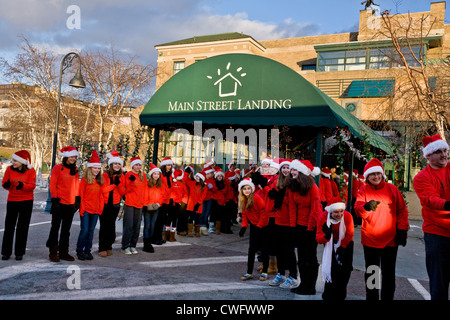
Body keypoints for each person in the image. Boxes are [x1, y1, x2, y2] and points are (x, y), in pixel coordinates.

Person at [355, 158, 409, 300]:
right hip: (371, 238)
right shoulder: (363, 190)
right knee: (372, 272)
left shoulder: (392, 189)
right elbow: (357, 209)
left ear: (382, 174)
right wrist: (366, 207)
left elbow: (402, 210)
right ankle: (371, 298)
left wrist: (402, 230)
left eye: (378, 173)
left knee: (388, 273)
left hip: (391, 240)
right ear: (367, 176)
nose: (376, 177)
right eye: (372, 174)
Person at [413, 134, 450, 300]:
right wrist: (447, 204)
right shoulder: (421, 177)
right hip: (437, 234)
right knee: (439, 283)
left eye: (445, 150)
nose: (443, 155)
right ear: (428, 155)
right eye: (438, 152)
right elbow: (430, 198)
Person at [288, 159, 321, 295]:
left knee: (310, 257)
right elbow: (292, 208)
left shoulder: (313, 187)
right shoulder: (293, 186)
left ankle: (310, 287)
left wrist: (310, 228)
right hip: (299, 226)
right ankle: (303, 284)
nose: (292, 172)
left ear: (302, 172)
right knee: (301, 257)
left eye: (295, 170)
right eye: (292, 170)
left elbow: (316, 209)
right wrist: (293, 227)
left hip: (311, 227)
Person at [267, 159, 300, 289]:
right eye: (284, 168)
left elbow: (293, 205)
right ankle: (281, 274)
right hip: (278, 220)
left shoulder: (294, 184)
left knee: (289, 251)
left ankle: (293, 276)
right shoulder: (278, 182)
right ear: (280, 170)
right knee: (279, 249)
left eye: (288, 167)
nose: (286, 170)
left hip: (289, 222)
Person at [46, 146, 80, 262]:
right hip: (59, 203)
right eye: (71, 156)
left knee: (66, 229)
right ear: (65, 157)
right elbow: (53, 184)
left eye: (75, 157)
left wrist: (77, 199)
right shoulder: (57, 168)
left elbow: (76, 185)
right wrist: (54, 200)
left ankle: (64, 252)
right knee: (55, 228)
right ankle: (53, 251)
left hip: (70, 204)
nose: (73, 158)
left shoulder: (75, 170)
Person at [316, 196, 354, 300]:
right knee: (332, 270)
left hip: (346, 243)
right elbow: (318, 238)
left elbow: (350, 233)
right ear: (330, 211)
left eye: (341, 211)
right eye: (336, 212)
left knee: (345, 271)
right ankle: (328, 295)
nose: (339, 215)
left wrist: (342, 247)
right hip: (330, 244)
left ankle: (341, 295)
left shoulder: (347, 216)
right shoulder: (323, 217)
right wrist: (326, 236)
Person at [1, 150, 36, 261]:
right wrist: (6, 185)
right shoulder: (9, 169)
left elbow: (32, 186)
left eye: (15, 161)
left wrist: (22, 186)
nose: (13, 162)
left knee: (22, 227)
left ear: (22, 162)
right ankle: (6, 252)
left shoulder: (31, 171)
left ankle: (19, 252)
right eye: (13, 160)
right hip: (12, 200)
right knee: (9, 227)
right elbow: (5, 183)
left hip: (26, 201)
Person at [238, 178, 270, 281]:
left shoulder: (257, 198)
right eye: (244, 189)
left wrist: (259, 226)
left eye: (248, 188)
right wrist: (244, 227)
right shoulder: (242, 201)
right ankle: (249, 272)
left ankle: (265, 271)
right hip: (254, 226)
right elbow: (244, 214)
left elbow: (263, 213)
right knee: (251, 250)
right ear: (241, 191)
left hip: (263, 226)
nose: (247, 190)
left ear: (252, 189)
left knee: (264, 249)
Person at [76, 150, 104, 260]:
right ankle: (80, 250)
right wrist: (82, 208)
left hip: (96, 210)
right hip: (86, 210)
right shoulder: (84, 180)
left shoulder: (100, 181)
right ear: (90, 168)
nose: (96, 170)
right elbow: (81, 195)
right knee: (84, 231)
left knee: (91, 232)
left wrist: (100, 208)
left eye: (98, 168)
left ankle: (88, 250)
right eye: (94, 168)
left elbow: (101, 196)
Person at [99, 150, 125, 257]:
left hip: (115, 205)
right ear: (111, 164)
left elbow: (123, 192)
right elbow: (103, 190)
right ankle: (102, 248)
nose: (117, 165)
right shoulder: (105, 175)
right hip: (104, 204)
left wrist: (118, 185)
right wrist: (114, 185)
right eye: (115, 163)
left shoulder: (121, 176)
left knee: (111, 226)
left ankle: (108, 246)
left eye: (119, 164)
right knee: (104, 227)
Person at [122, 156, 147, 255]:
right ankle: (125, 246)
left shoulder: (143, 175)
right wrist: (131, 182)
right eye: (136, 165)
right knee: (128, 226)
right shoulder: (128, 174)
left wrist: (144, 203)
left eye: (139, 165)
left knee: (137, 226)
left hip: (139, 204)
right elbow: (127, 190)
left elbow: (145, 190)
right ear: (132, 166)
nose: (138, 167)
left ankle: (133, 245)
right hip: (130, 203)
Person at [144, 163, 167, 252]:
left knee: (153, 225)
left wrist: (158, 204)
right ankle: (146, 244)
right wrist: (146, 205)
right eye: (155, 174)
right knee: (147, 225)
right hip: (148, 207)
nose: (156, 176)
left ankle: (150, 241)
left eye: (158, 174)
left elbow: (162, 196)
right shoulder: (147, 184)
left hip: (156, 207)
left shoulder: (161, 185)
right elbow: (145, 194)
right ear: (151, 174)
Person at [164, 169, 187, 241]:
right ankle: (172, 237)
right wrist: (183, 203)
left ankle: (166, 236)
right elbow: (185, 194)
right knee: (174, 220)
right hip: (177, 204)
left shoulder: (171, 182)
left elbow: (167, 192)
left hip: (170, 203)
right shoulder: (182, 184)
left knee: (168, 219)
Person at [156, 157, 174, 245]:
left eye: (170, 165)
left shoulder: (169, 175)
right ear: (164, 165)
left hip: (167, 200)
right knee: (158, 220)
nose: (169, 167)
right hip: (160, 200)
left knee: (162, 220)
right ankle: (156, 238)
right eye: (168, 165)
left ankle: (159, 237)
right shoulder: (160, 174)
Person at [185, 170, 208, 237]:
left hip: (198, 205)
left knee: (197, 218)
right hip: (191, 204)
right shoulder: (192, 183)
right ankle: (190, 231)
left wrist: (198, 204)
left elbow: (203, 196)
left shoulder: (204, 186)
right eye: (196, 176)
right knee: (191, 218)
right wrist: (190, 176)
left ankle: (197, 231)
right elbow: (186, 181)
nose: (197, 178)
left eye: (199, 177)